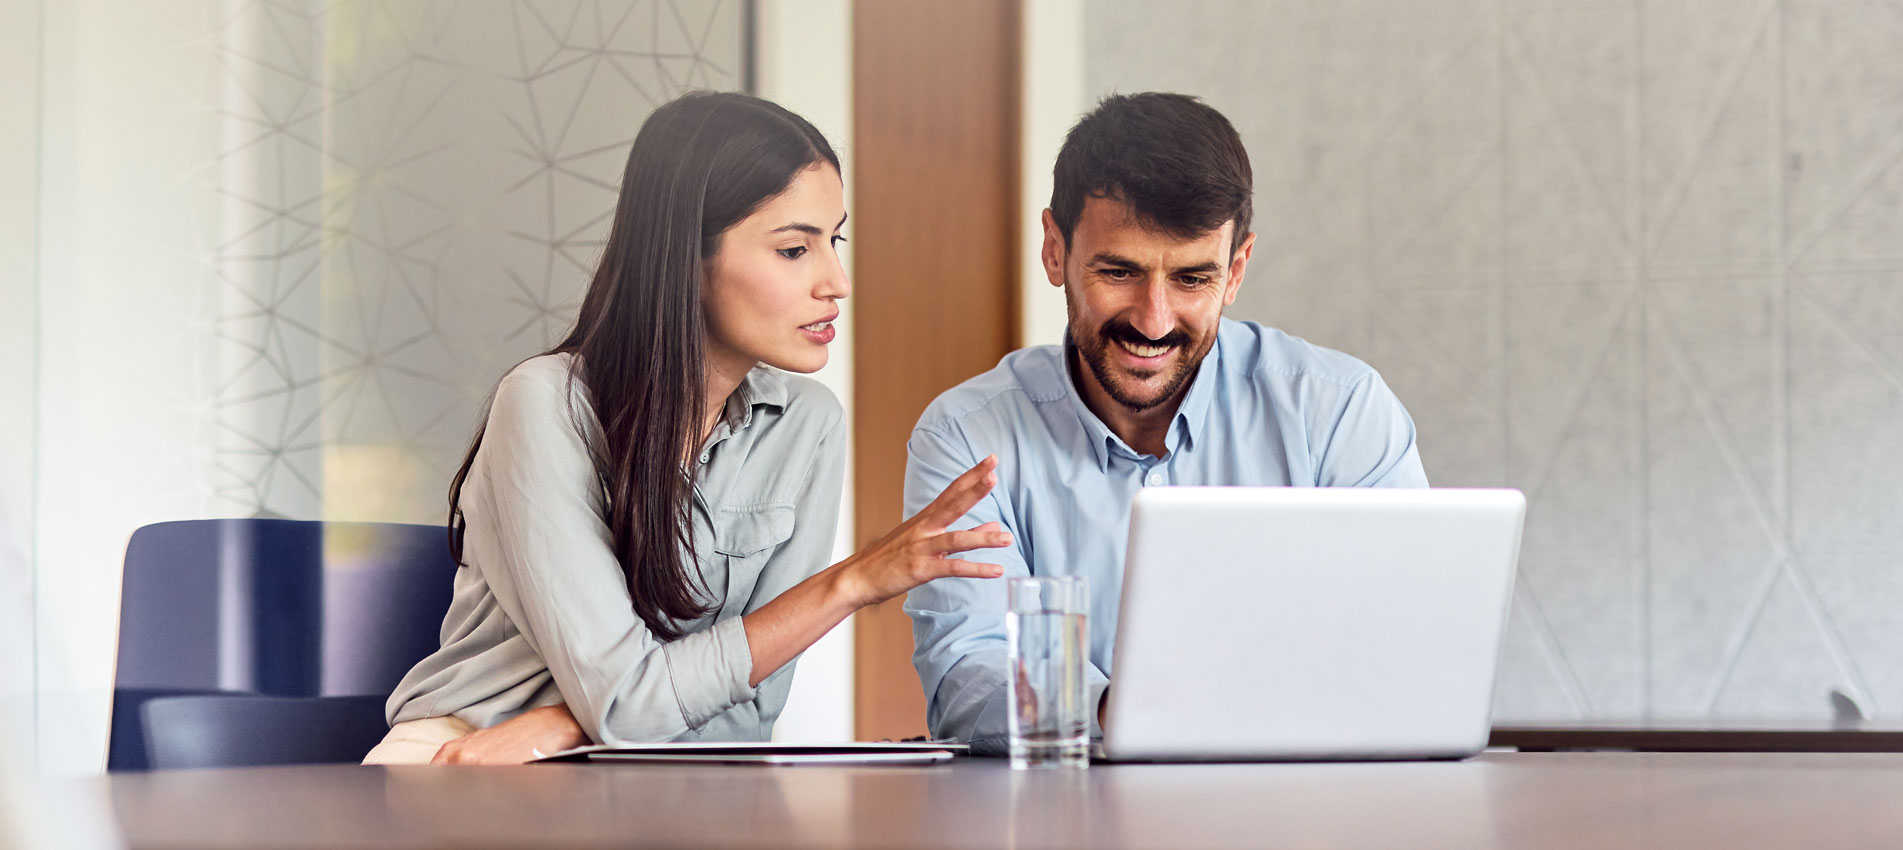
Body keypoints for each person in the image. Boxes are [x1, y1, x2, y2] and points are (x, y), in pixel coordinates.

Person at [364, 92, 1012, 765]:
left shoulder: (808, 425)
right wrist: (849, 583)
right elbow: (625, 704)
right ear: (686, 258)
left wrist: (567, 725)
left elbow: (749, 715)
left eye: (834, 239)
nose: (837, 282)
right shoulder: (544, 405)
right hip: (471, 762)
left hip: (652, 768)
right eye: (794, 249)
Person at [903, 92, 1428, 753]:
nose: (1153, 321)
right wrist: (1120, 708)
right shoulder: (966, 435)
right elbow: (963, 670)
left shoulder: (1338, 411)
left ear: (1234, 270)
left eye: (1190, 279)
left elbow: (1404, 645)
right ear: (1054, 251)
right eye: (1118, 271)